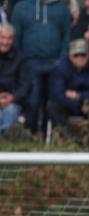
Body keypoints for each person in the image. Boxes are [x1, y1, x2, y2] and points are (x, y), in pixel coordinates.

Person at [11, 0, 71, 133]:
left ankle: (46, 137)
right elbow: (15, 38)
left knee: (51, 104)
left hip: (55, 64)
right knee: (33, 101)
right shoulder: (21, 8)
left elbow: (67, 36)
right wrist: (21, 63)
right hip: (30, 63)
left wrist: (61, 60)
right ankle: (30, 136)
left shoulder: (62, 9)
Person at [48, 38, 89, 129]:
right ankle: (64, 137)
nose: (80, 58)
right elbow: (58, 94)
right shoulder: (60, 68)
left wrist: (80, 96)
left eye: (83, 55)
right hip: (69, 105)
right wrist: (78, 106)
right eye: (76, 55)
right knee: (53, 106)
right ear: (70, 56)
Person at [0, 23, 30, 137]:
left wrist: (13, 97)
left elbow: (25, 84)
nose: (5, 42)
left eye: (9, 38)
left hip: (12, 101)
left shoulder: (20, 58)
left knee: (10, 111)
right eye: (2, 37)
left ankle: (5, 144)